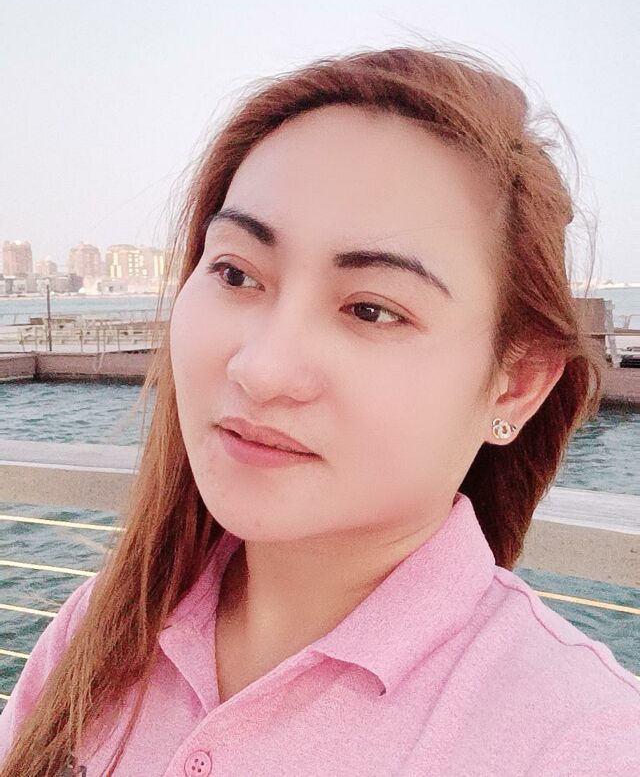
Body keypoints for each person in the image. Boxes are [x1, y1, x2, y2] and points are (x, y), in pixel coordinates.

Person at [0, 44, 638, 776]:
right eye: (235, 272)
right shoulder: (102, 629)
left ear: (515, 384)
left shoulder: (581, 744)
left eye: (372, 309)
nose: (261, 368)